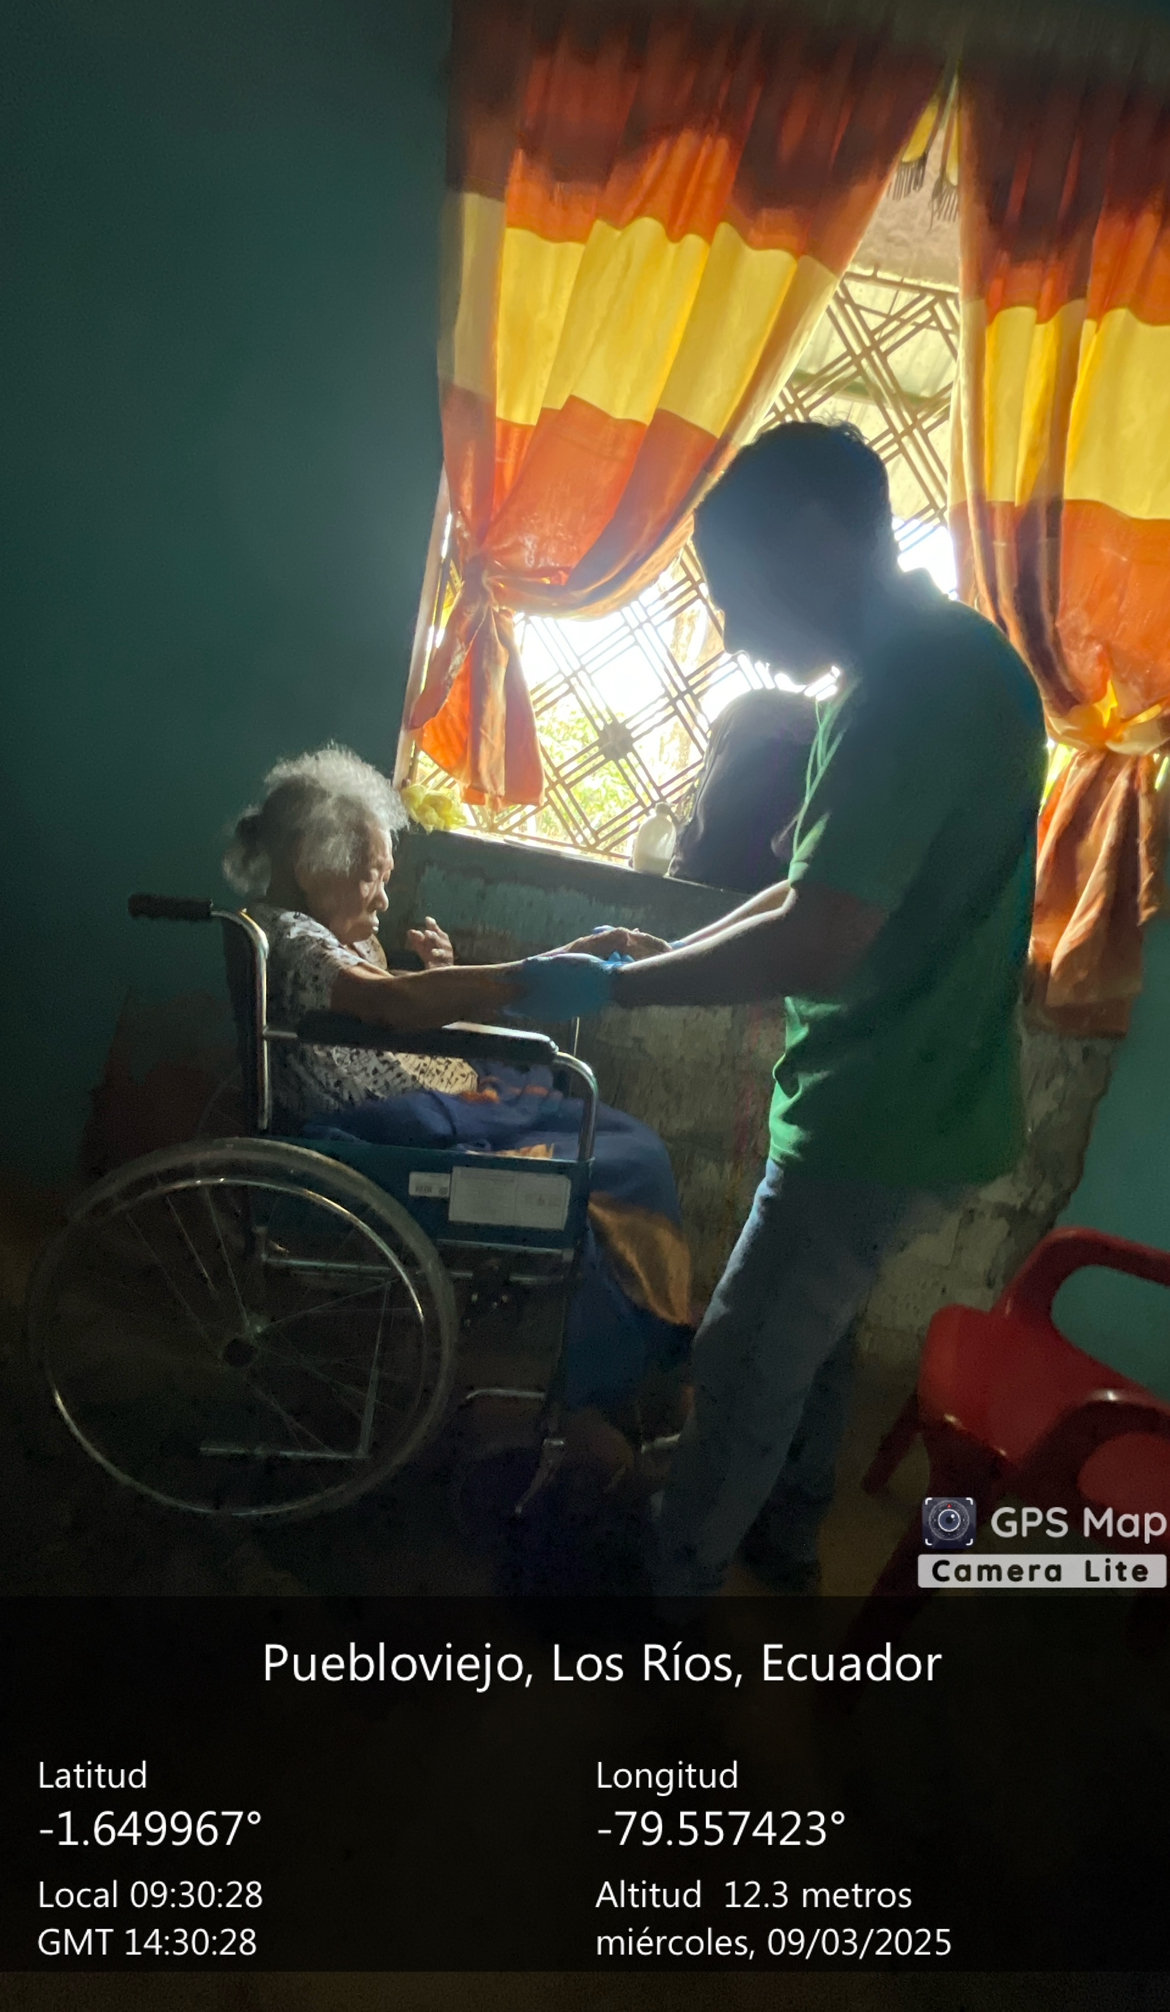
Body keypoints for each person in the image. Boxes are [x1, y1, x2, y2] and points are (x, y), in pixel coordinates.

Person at [509, 422, 1048, 1597]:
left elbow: (816, 936)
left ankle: (669, 1585)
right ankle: (790, 1528)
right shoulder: (959, 659)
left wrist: (621, 986)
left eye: (733, 591)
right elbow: (818, 891)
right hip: (936, 1093)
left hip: (878, 1111)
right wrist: (670, 951)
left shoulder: (906, 691)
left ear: (813, 540)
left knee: (746, 1362)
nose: (734, 631)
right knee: (821, 1330)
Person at [221, 745, 688, 1415]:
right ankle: (600, 1390)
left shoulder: (321, 938)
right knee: (614, 1162)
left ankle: (627, 1363)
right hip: (390, 1137)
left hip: (431, 1101)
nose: (385, 898)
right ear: (310, 864)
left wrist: (446, 975)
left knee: (627, 1147)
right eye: (373, 876)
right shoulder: (296, 938)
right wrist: (539, 973)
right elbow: (392, 1006)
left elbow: (388, 1003)